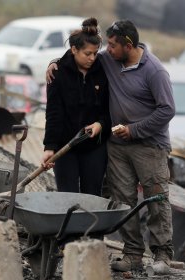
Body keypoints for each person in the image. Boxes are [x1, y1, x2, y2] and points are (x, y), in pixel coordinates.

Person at [46, 20, 176, 273]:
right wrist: (55, 63)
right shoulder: (108, 60)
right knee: (122, 200)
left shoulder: (155, 71)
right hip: (117, 145)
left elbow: (167, 110)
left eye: (113, 45)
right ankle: (132, 254)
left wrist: (134, 130)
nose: (107, 50)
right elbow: (79, 51)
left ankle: (162, 255)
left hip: (149, 145)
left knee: (155, 198)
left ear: (128, 45)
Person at [42, 17, 110, 197]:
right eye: (87, 54)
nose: (92, 58)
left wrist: (101, 124)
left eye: (95, 53)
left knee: (92, 195)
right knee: (67, 196)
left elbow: (109, 109)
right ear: (74, 50)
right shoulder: (57, 72)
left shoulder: (103, 71)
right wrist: (49, 146)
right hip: (66, 146)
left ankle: (91, 226)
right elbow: (54, 113)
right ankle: (69, 226)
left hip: (94, 146)